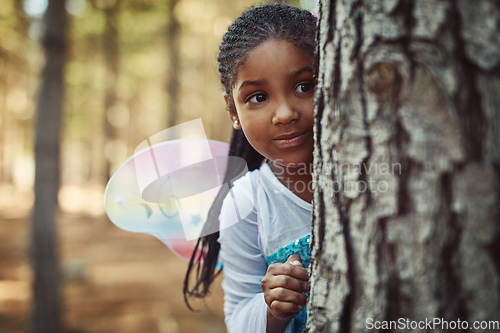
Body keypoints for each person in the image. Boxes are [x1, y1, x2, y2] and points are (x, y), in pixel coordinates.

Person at [184, 4, 317, 333]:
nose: (284, 113)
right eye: (258, 97)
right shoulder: (245, 203)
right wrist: (272, 306)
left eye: (304, 86)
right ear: (232, 110)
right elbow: (239, 320)